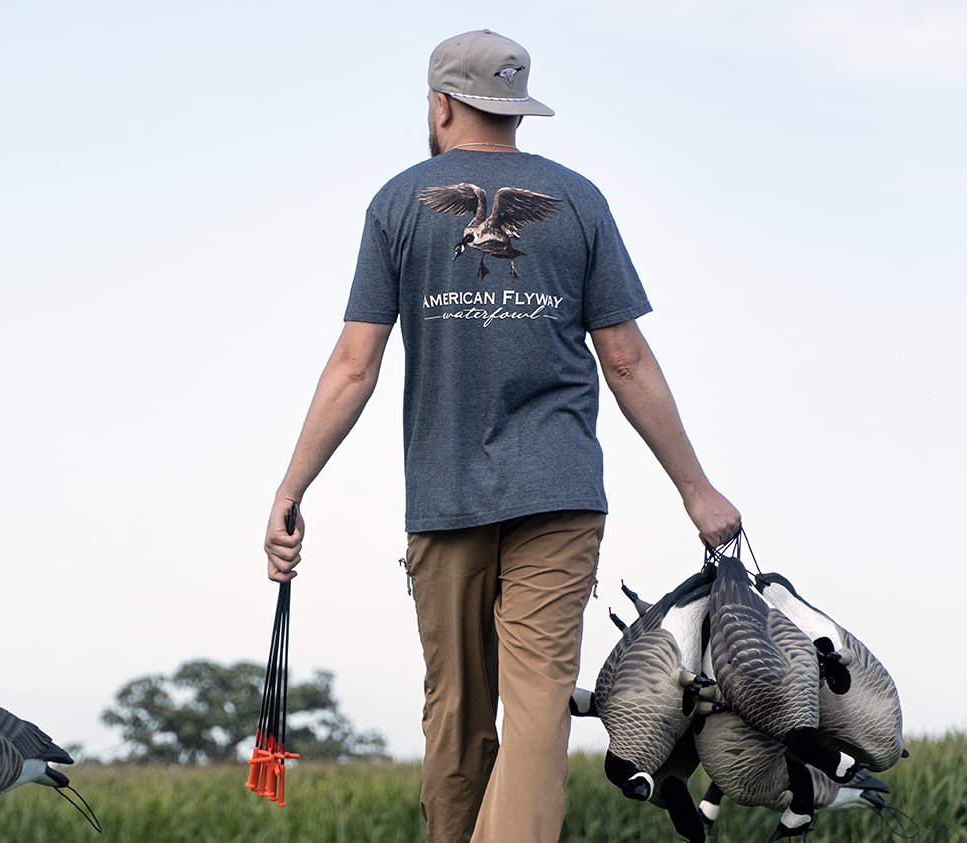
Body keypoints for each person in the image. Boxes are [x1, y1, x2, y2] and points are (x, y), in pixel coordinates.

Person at [262, 29, 741, 843]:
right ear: (516, 109)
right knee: (536, 708)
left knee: (456, 710)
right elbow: (625, 359)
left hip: (444, 496)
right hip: (559, 491)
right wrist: (697, 490)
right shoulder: (580, 200)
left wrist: (290, 489)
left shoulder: (396, 203)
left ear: (441, 104)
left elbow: (353, 364)